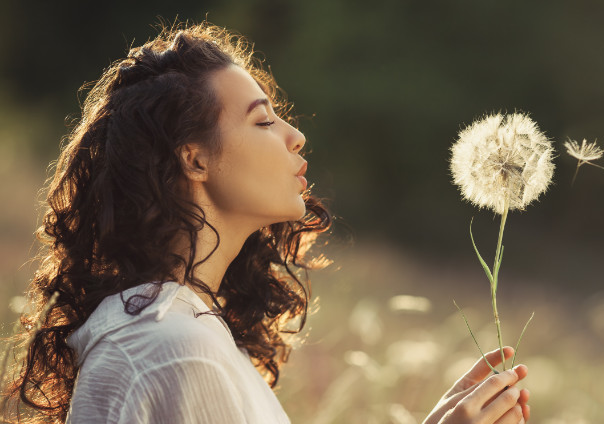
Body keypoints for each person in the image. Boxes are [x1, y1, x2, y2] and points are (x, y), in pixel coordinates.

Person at [0, 22, 530, 423]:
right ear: (195, 160)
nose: (294, 135)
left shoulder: (181, 331)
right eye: (262, 120)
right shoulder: (172, 349)